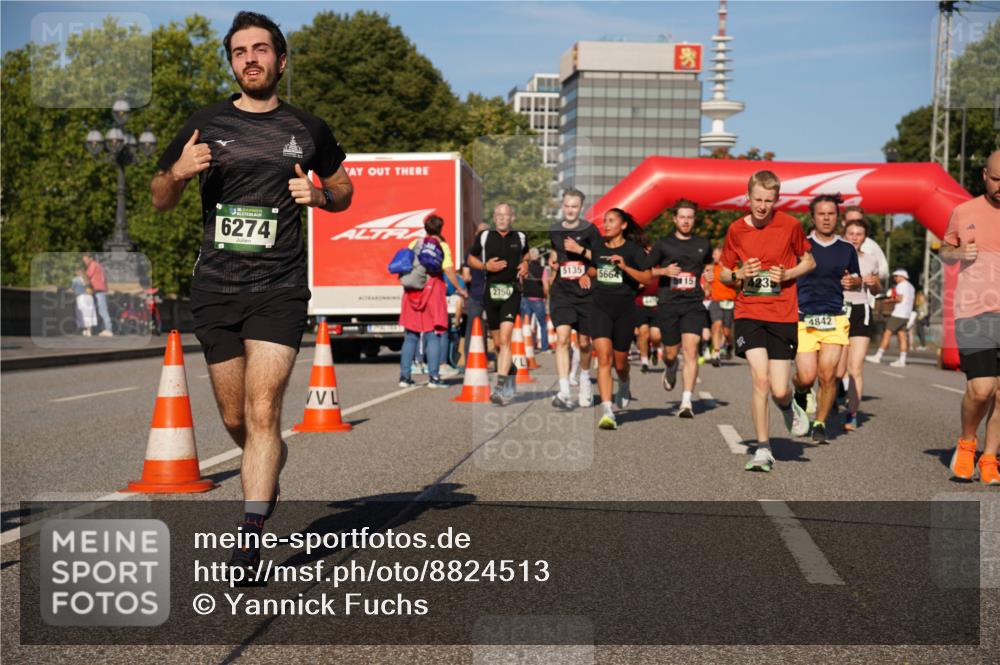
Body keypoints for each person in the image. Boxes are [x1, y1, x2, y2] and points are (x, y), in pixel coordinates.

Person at [150, 11, 354, 572]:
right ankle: (264, 473)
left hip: (280, 287)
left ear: (280, 61)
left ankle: (251, 528)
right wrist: (179, 173)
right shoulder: (204, 123)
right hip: (215, 288)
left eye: (261, 50)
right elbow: (159, 197)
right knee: (236, 418)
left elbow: (343, 190)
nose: (251, 59)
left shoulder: (309, 129)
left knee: (264, 411)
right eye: (240, 52)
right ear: (232, 62)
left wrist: (320, 199)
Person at [719, 170, 815, 472]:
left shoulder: (790, 226)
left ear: (777, 199)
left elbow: (809, 261)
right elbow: (723, 272)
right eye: (758, 200)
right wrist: (739, 275)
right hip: (748, 311)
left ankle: (788, 406)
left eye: (769, 201)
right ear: (748, 197)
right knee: (759, 380)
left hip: (782, 313)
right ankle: (763, 448)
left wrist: (788, 274)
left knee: (779, 389)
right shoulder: (736, 230)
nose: (762, 206)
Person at [940, 148, 1000, 485]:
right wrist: (959, 251)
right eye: (996, 179)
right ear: (984, 176)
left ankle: (990, 457)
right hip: (974, 311)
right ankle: (967, 443)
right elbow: (945, 252)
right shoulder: (963, 212)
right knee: (981, 389)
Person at [791, 195, 861, 444]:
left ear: (837, 217)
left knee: (828, 374)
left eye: (831, 213)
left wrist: (855, 281)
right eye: (821, 214)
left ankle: (819, 423)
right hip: (804, 319)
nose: (827, 218)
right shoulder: (801, 246)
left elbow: (856, 277)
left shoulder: (846, 249)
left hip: (834, 318)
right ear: (813, 218)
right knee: (807, 376)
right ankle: (799, 390)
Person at [645, 199, 713, 418]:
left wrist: (709, 274)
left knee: (691, 349)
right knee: (671, 353)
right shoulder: (663, 244)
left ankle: (686, 402)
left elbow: (708, 266)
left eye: (690, 217)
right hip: (668, 304)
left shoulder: (703, 243)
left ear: (694, 220)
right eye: (682, 217)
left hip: (693, 304)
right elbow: (645, 270)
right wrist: (663, 272)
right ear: (675, 219)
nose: (686, 221)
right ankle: (670, 366)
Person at [588, 208, 651, 430]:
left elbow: (647, 277)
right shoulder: (597, 247)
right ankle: (607, 411)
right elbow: (592, 269)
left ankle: (624, 383)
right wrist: (589, 275)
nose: (605, 224)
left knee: (620, 362)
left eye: (611, 221)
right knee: (603, 357)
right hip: (600, 307)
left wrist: (624, 267)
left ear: (623, 225)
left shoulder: (633, 250)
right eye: (604, 221)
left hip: (625, 309)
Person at [467, 203, 529, 405]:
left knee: (505, 338)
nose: (502, 218)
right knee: (498, 345)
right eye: (499, 215)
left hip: (511, 291)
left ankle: (500, 386)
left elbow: (526, 252)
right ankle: (510, 369)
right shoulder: (484, 237)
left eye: (506, 215)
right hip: (490, 292)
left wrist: (526, 262)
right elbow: (470, 258)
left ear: (513, 217)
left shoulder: (520, 237)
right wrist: (486, 266)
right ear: (494, 218)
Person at [549, 188, 602, 409]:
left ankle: (584, 379)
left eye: (575, 206)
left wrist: (580, 250)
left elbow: (601, 258)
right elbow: (556, 254)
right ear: (563, 206)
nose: (570, 210)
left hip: (586, 293)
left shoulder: (590, 230)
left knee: (584, 343)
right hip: (562, 291)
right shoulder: (554, 230)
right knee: (562, 339)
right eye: (567, 206)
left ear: (581, 208)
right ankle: (563, 391)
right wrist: (554, 261)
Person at [399, 215, 466, 388]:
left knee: (411, 336)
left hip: (412, 291)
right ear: (441, 228)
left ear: (425, 227)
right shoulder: (442, 246)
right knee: (434, 334)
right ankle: (434, 378)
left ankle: (405, 378)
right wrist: (460, 289)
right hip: (433, 290)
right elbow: (449, 271)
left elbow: (406, 265)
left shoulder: (415, 243)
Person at [835, 216, 882, 431]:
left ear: (865, 237)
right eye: (851, 233)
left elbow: (876, 290)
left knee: (855, 367)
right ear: (845, 234)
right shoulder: (834, 254)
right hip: (836, 311)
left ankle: (852, 414)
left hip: (860, 311)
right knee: (836, 369)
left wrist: (874, 284)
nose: (855, 237)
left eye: (859, 234)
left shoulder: (871, 259)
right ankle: (835, 392)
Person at [866, 268, 915, 367]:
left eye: (896, 276)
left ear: (902, 276)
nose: (895, 278)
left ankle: (878, 356)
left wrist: (888, 301)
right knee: (902, 336)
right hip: (906, 314)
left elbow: (899, 299)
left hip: (898, 313)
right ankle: (902, 359)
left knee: (887, 333)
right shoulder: (911, 287)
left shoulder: (901, 285)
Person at [461, 222, 490, 369]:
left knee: (472, 329)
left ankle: (469, 363)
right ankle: (500, 363)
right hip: (493, 294)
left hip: (476, 294)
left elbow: (466, 277)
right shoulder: (495, 251)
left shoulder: (470, 252)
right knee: (497, 330)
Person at [707, 244, 737, 365]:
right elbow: (707, 285)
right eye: (713, 254)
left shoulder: (732, 267)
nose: (713, 256)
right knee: (717, 324)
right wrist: (707, 287)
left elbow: (737, 282)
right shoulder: (711, 268)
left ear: (722, 254)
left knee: (726, 332)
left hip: (729, 301)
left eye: (716, 254)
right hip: (715, 301)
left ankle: (730, 344)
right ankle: (716, 353)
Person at [635, 242, 662, 374]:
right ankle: (644, 361)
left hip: (657, 305)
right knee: (643, 332)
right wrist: (637, 285)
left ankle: (655, 349)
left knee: (656, 336)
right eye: (647, 252)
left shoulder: (660, 268)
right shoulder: (638, 267)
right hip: (640, 304)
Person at [520, 247, 550, 351]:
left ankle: (526, 346)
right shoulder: (543, 269)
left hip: (525, 298)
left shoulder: (525, 267)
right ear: (538, 257)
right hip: (538, 299)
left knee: (525, 324)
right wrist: (545, 297)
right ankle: (544, 347)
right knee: (542, 324)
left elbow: (521, 282)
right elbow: (546, 286)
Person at [81, 253, 114, 336]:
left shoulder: (93, 265)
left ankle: (108, 329)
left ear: (90, 258)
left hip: (99, 290)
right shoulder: (97, 265)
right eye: (83, 260)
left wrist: (81, 273)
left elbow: (88, 275)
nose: (84, 261)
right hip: (98, 290)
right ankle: (103, 329)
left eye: (85, 259)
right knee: (99, 310)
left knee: (102, 310)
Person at [71, 269, 97, 336]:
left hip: (82, 297)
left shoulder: (76, 279)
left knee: (82, 314)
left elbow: (72, 288)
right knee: (89, 314)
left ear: (77, 272)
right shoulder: (87, 279)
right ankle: (89, 330)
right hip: (89, 297)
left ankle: (84, 330)